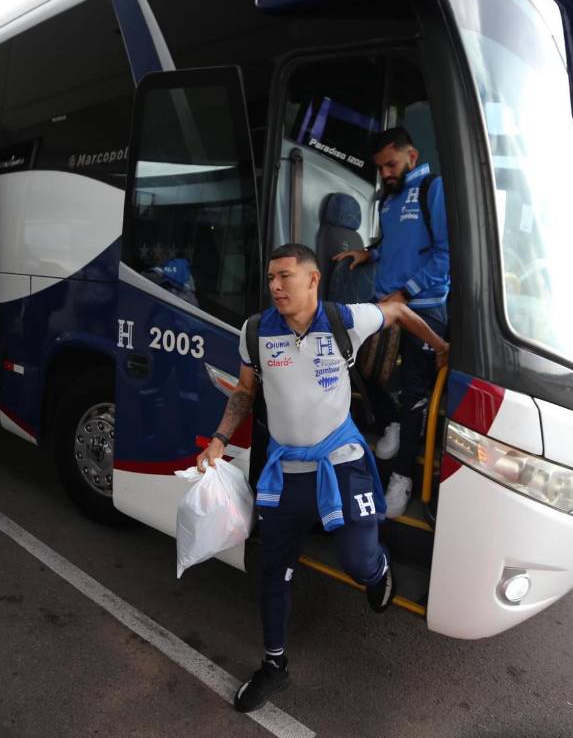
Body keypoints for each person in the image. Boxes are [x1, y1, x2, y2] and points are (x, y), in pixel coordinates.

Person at [195, 243, 448, 713]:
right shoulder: (255, 331)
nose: (274, 286)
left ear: (312, 280)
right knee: (272, 571)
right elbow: (245, 394)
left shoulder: (344, 320)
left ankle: (378, 570)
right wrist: (218, 440)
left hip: (343, 460)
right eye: (271, 277)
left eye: (285, 276)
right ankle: (273, 665)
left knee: (357, 558)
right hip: (287, 470)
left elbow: (397, 311)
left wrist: (440, 348)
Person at [332, 127, 450, 518]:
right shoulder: (387, 200)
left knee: (416, 391)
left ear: (412, 157)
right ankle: (394, 421)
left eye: (391, 164)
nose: (385, 172)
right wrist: (367, 253)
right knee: (359, 364)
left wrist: (407, 292)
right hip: (384, 304)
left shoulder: (433, 190)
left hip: (423, 306)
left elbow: (446, 254)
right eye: (380, 167)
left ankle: (402, 479)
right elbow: (389, 243)